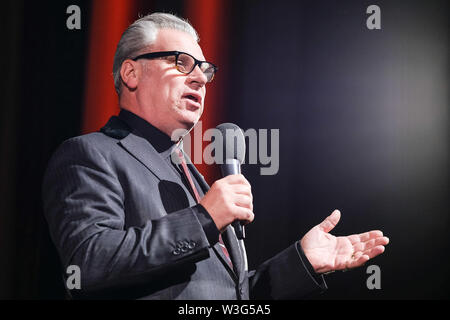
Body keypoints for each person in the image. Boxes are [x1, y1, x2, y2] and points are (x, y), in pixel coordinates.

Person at [42, 13, 389, 300]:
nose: (199, 78)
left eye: (204, 70)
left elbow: (228, 295)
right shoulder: (90, 154)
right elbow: (87, 264)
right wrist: (204, 218)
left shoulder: (191, 176)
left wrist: (302, 262)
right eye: (182, 62)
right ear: (131, 73)